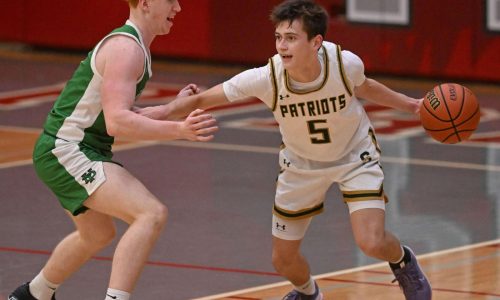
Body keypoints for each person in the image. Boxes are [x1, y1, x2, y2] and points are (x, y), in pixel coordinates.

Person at [136, 0, 433, 299]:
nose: (282, 46)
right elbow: (202, 100)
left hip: (354, 155)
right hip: (301, 165)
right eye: (278, 37)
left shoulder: (344, 63)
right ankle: (307, 293)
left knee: (371, 241)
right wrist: (157, 112)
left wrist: (410, 105)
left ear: (316, 42)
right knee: (282, 261)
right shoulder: (266, 78)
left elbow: (364, 86)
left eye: (291, 38)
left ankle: (403, 261)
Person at [8, 1, 218, 300]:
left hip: (70, 148)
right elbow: (119, 122)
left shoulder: (133, 46)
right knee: (150, 213)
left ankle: (33, 294)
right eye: (170, 0)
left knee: (97, 234)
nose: (178, 7)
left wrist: (171, 109)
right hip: (68, 149)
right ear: (146, 3)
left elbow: (117, 113)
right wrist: (179, 130)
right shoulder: (126, 48)